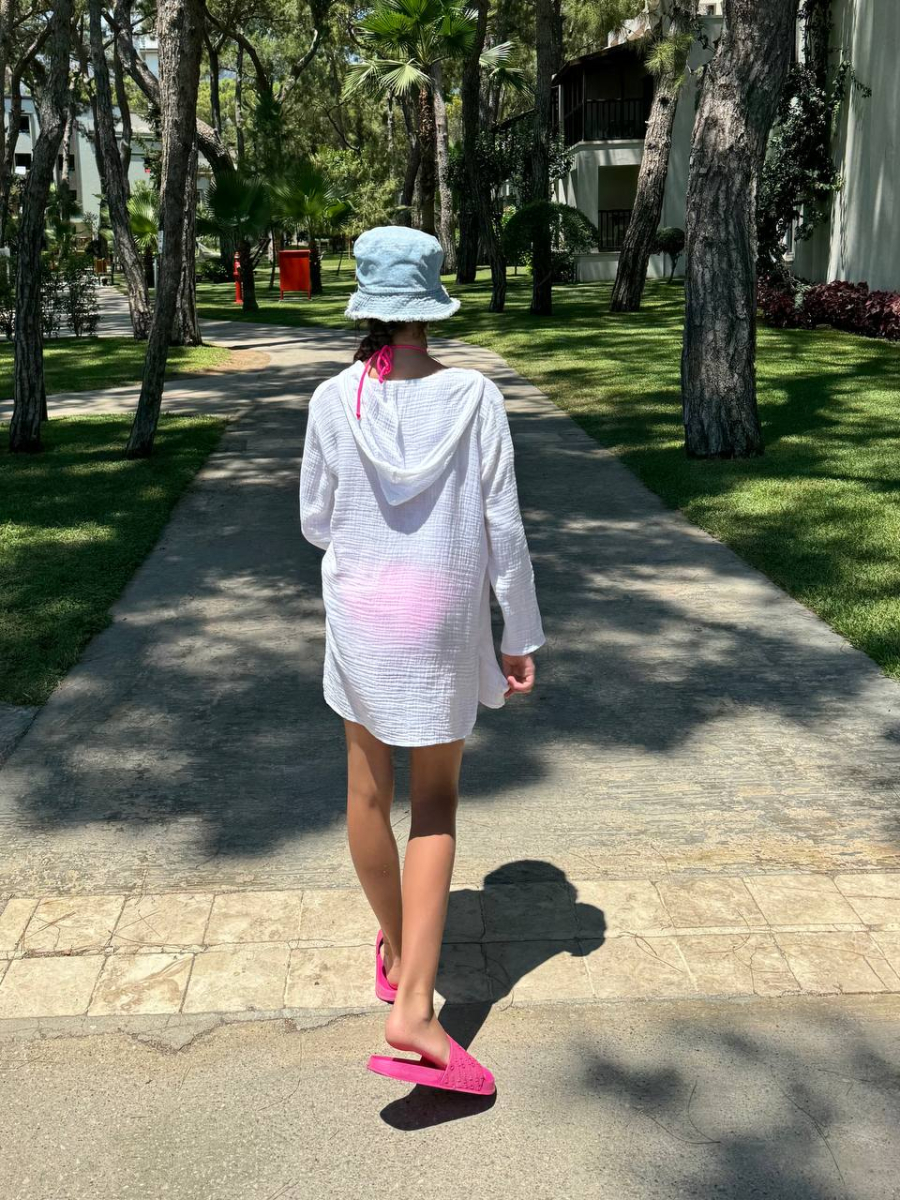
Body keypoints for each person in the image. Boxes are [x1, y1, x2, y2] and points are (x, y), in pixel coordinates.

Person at [299, 226, 544, 1097]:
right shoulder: (474, 397)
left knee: (367, 794)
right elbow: (502, 524)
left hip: (363, 615)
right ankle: (413, 1011)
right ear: (431, 308)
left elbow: (316, 522)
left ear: (366, 306)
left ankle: (402, 953)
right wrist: (519, 631)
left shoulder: (334, 399)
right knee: (434, 804)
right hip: (440, 616)